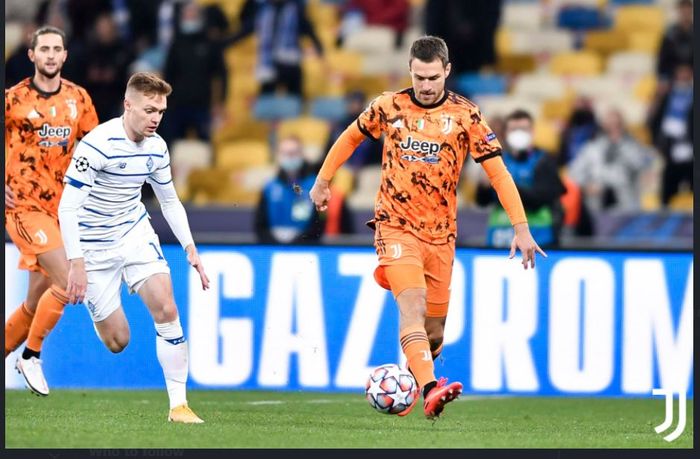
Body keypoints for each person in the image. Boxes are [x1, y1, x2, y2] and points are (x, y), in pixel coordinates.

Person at [309, 36, 545, 419]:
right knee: (412, 305)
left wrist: (521, 227)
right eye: (419, 77)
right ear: (410, 71)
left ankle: (419, 380)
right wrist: (322, 180)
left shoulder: (467, 116)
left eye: (433, 77)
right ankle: (431, 388)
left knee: (433, 332)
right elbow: (350, 137)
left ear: (447, 71)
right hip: (395, 226)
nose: (426, 85)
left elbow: (498, 173)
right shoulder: (389, 106)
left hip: (441, 235)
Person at [57, 72, 210, 424]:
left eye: (161, 111)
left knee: (167, 306)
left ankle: (179, 406)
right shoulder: (97, 145)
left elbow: (169, 201)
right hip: (93, 246)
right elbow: (67, 208)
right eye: (149, 109)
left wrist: (190, 247)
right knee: (118, 341)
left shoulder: (157, 147)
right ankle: (103, 299)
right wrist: (76, 263)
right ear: (128, 105)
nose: (156, 118)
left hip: (133, 232)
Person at [4, 25, 99, 396]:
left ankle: (21, 347)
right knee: (69, 281)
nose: (50, 55)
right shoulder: (12, 100)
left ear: (64, 56)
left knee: (32, 304)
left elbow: (96, 150)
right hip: (25, 210)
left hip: (64, 213)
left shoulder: (79, 98)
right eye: (43, 48)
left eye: (56, 49)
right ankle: (31, 355)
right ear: (31, 55)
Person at [476, 109, 566, 248]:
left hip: (538, 237)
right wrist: (483, 187)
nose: (519, 133)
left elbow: (541, 197)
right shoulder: (496, 159)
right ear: (506, 133)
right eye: (514, 129)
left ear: (532, 132)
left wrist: (502, 184)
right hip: (499, 236)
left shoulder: (544, 160)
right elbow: (481, 201)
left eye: (523, 129)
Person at [223, 0, 324, 96]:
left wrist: (318, 45)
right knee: (266, 96)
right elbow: (246, 30)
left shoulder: (295, 9)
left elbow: (308, 28)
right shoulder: (263, 12)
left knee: (294, 96)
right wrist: (226, 42)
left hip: (290, 62)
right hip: (268, 62)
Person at [568, 108, 655, 213]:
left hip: (626, 207)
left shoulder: (633, 147)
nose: (614, 128)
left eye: (617, 124)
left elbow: (646, 164)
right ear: (604, 126)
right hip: (598, 206)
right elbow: (574, 172)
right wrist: (586, 186)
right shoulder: (592, 148)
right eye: (610, 125)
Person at [254, 135, 324, 243]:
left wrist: (297, 242)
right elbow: (260, 225)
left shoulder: (314, 186)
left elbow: (319, 225)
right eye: (285, 153)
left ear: (302, 154)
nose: (290, 157)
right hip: (273, 248)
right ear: (278, 156)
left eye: (294, 153)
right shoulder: (269, 187)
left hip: (305, 248)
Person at [648, 63, 694, 206]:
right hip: (670, 149)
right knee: (667, 192)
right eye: (680, 74)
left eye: (686, 74)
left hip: (691, 149)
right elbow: (653, 120)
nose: (683, 78)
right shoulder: (667, 96)